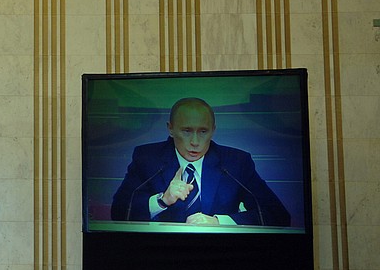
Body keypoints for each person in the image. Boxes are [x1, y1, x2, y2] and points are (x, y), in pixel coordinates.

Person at [110, 97, 290, 226]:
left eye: (203, 131)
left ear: (213, 130)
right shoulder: (147, 158)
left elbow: (277, 215)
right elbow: (118, 212)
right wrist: (162, 200)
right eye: (187, 131)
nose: (195, 142)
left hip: (219, 256)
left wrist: (220, 222)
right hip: (162, 255)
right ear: (170, 129)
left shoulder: (236, 162)